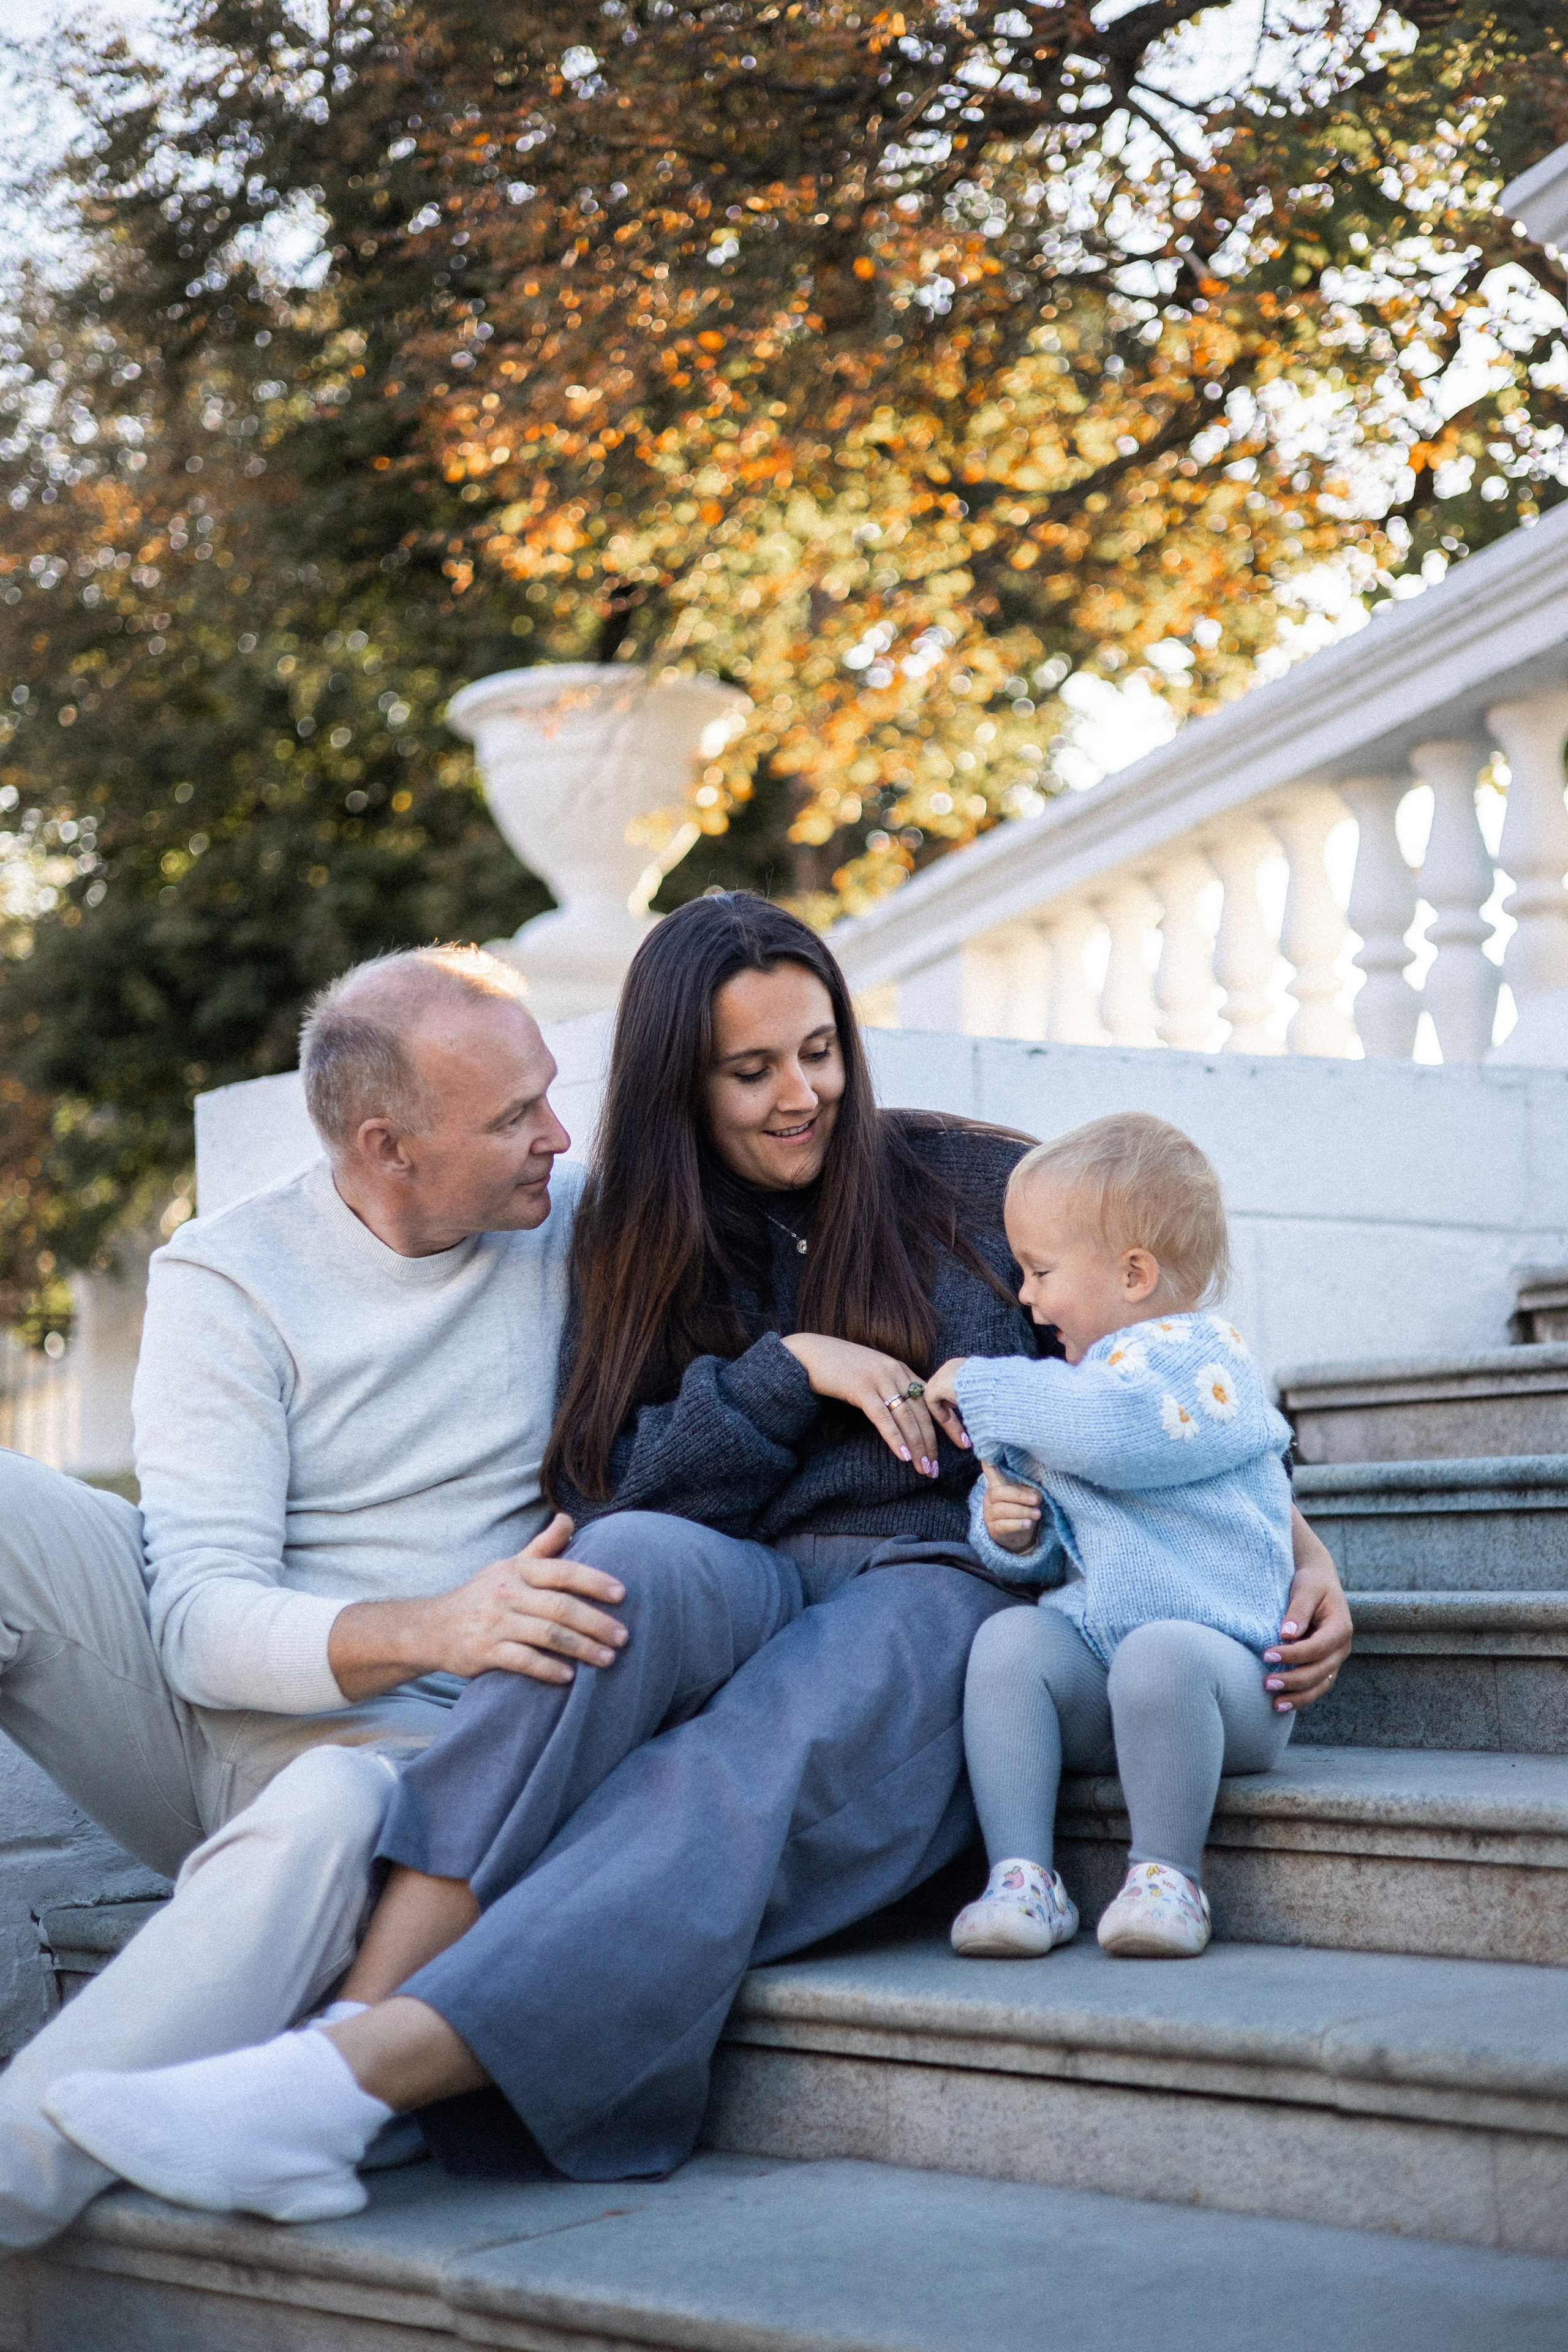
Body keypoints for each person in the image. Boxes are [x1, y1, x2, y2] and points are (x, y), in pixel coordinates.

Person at [43, 894, 1354, 2225]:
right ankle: (333, 2060)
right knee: (616, 1567)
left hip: (942, 1590)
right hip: (745, 1577)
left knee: (737, 1754)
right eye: (751, 1070)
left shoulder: (974, 1189)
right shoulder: (626, 1237)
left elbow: (1163, 1365)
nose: (804, 1095)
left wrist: (1290, 1539)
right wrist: (782, 1374)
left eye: (820, 1049)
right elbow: (616, 1479)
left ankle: (340, 2080)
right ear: (683, 1079)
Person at [0, 946, 626, 2252]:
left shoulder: (582, 1224)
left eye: (547, 1097)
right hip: (225, 1722)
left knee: (343, 1791)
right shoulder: (228, 1276)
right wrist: (433, 1623)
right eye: (514, 1116)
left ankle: (20, 2166)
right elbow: (199, 1624)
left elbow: (802, 1170)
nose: (556, 1139)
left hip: (425, 1771)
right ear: (387, 1147)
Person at [925, 1113, 1299, 1964]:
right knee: (1013, 1641)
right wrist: (1014, 1535)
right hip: (1111, 1664)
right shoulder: (1090, 1387)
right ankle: (1025, 1878)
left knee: (1161, 1655)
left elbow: (1119, 1435)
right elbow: (1071, 1543)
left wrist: (980, 1384)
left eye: (1041, 1271)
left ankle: (1168, 1878)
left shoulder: (1204, 1365)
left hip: (1228, 1684)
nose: (1026, 1297)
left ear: (1134, 1274)